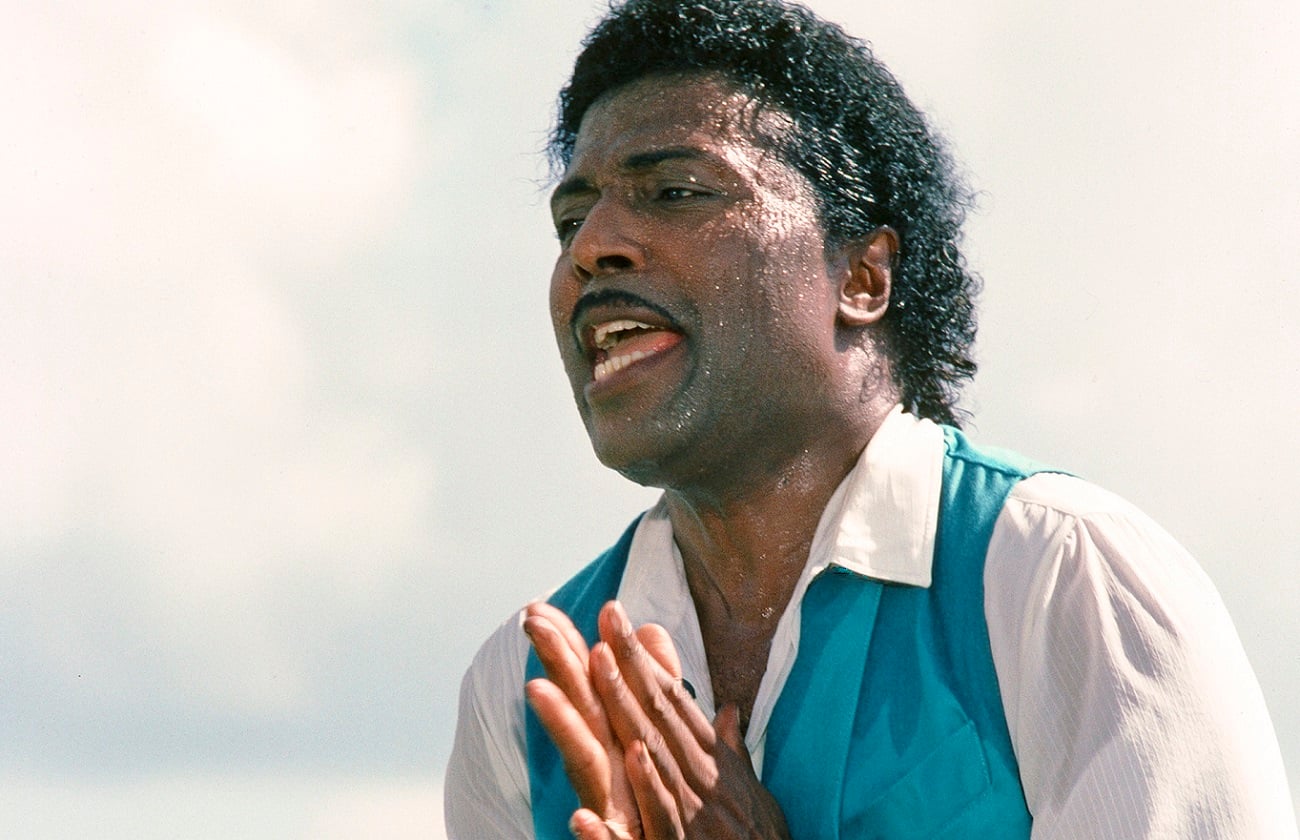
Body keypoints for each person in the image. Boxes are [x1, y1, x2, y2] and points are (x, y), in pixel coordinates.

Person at [445, 0, 1297, 837]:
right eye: (570, 220)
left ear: (862, 277)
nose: (590, 248)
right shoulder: (515, 694)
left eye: (675, 191)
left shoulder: (1062, 577)